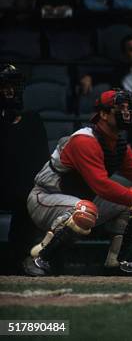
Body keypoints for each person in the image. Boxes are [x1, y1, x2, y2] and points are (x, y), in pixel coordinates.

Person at [22, 89, 132, 276]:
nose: (127, 112)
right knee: (86, 210)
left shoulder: (117, 144)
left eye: (129, 108)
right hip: (45, 197)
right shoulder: (84, 140)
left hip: (78, 200)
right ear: (103, 113)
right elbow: (101, 185)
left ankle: (115, 263)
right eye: (120, 108)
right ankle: (37, 259)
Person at [0, 65, 49, 274]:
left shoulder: (33, 120)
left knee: (31, 200)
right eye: (4, 86)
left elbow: (41, 160)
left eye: (14, 86)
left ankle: (23, 261)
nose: (10, 91)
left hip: (24, 191)